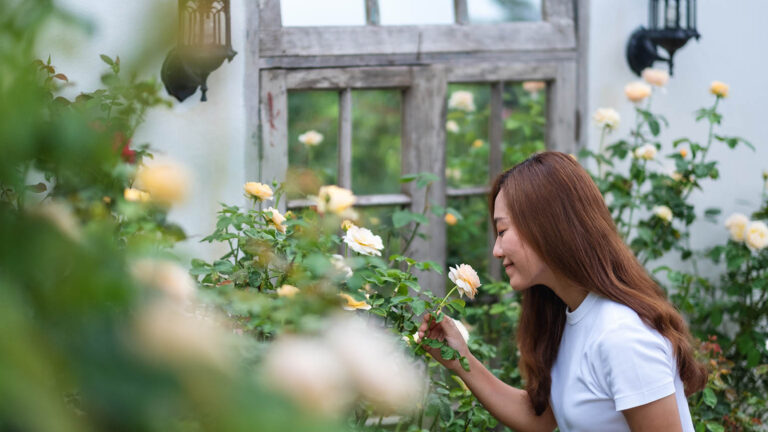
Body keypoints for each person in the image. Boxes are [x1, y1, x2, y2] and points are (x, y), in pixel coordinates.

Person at [419, 152, 707, 432]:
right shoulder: (568, 316)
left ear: (547, 226)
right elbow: (541, 419)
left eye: (503, 231)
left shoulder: (622, 336)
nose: (497, 250)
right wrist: (461, 360)